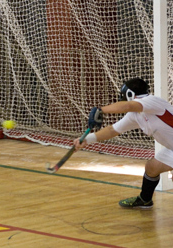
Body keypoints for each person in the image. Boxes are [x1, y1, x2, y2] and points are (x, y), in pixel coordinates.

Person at [74, 77, 173, 209]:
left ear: (130, 94)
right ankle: (145, 200)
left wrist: (101, 109)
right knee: (151, 168)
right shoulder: (134, 115)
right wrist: (87, 140)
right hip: (171, 148)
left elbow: (127, 105)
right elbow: (112, 130)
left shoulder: (150, 101)